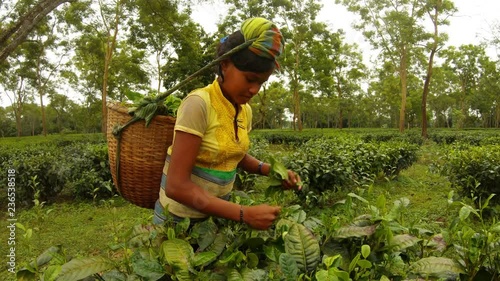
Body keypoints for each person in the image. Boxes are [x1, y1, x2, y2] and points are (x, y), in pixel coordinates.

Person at [153, 17, 301, 230]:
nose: (255, 90)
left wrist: (272, 171)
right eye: (250, 79)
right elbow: (176, 186)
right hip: (177, 224)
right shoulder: (199, 104)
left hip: (214, 221)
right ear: (224, 65)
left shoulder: (244, 110)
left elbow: (233, 154)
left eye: (261, 83)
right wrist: (243, 214)